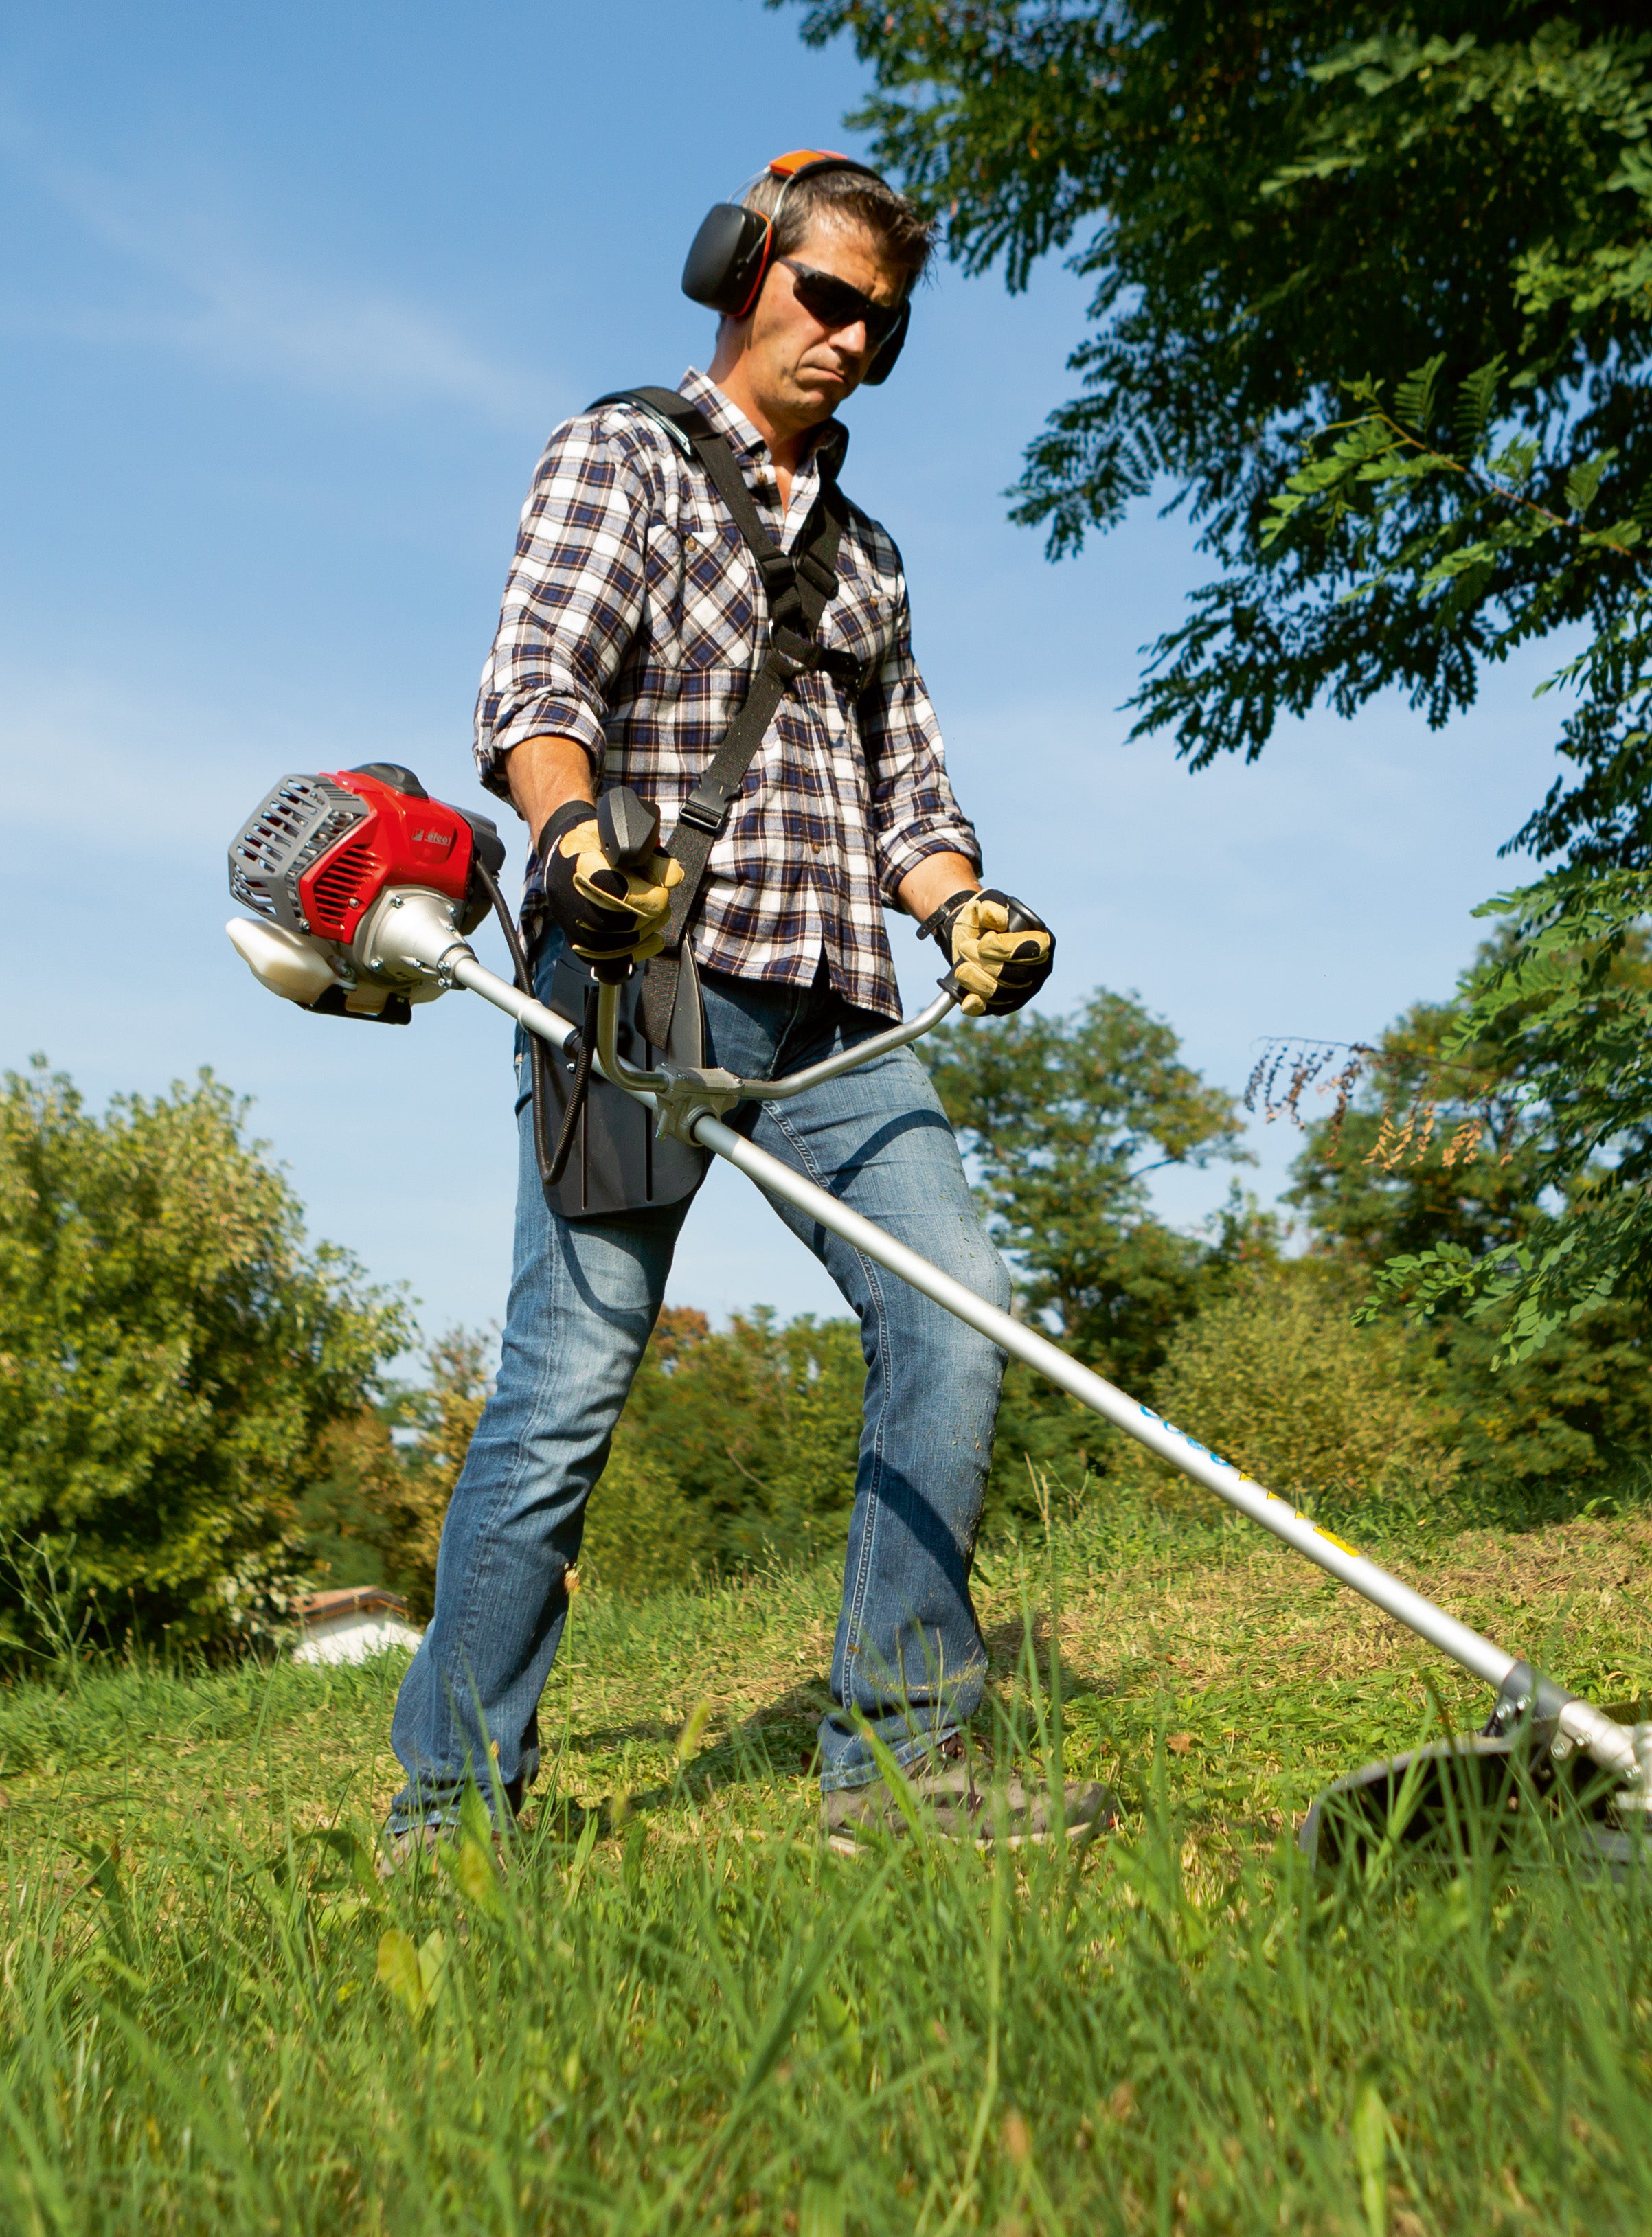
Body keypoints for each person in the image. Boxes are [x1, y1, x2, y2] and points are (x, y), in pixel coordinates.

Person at [384, 152, 1115, 1852]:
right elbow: (532, 688)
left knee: (956, 1320)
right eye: (830, 297)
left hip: (842, 1009)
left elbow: (914, 807)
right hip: (643, 986)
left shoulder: (868, 561)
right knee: (568, 1385)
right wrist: (573, 840)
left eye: (887, 323)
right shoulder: (621, 455)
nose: (853, 339)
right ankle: (452, 1808)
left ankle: (902, 1764)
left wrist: (970, 917)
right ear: (743, 268)